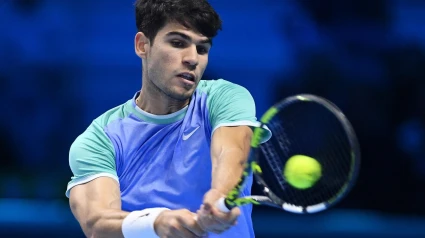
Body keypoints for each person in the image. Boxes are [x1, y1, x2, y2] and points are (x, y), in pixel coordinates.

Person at [66, 0, 270, 237]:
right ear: (143, 45)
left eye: (202, 49)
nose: (192, 58)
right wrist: (155, 223)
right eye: (177, 43)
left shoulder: (224, 98)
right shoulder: (101, 138)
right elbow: (97, 223)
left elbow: (233, 150)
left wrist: (220, 194)